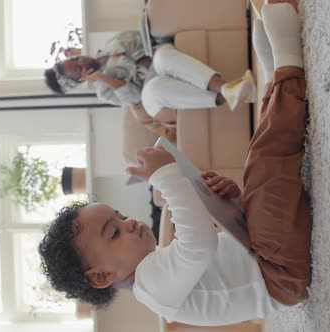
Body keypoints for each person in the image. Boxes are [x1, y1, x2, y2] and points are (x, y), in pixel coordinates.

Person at [38, 2, 312, 326]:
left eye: (121, 217)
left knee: (256, 170)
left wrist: (233, 204)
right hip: (281, 274)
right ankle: (287, 73)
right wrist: (166, 177)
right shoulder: (153, 286)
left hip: (267, 256)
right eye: (114, 233)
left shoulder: (157, 271)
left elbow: (226, 248)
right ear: (101, 276)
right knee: (265, 166)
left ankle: (273, 90)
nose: (130, 223)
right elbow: (200, 244)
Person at [43, 30, 256, 122]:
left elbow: (147, 39)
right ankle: (225, 95)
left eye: (76, 60)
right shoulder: (103, 91)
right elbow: (134, 97)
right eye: (78, 69)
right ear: (81, 80)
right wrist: (101, 77)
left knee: (163, 55)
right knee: (153, 89)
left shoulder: (113, 43)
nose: (82, 62)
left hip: (158, 62)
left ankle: (227, 90)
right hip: (149, 95)